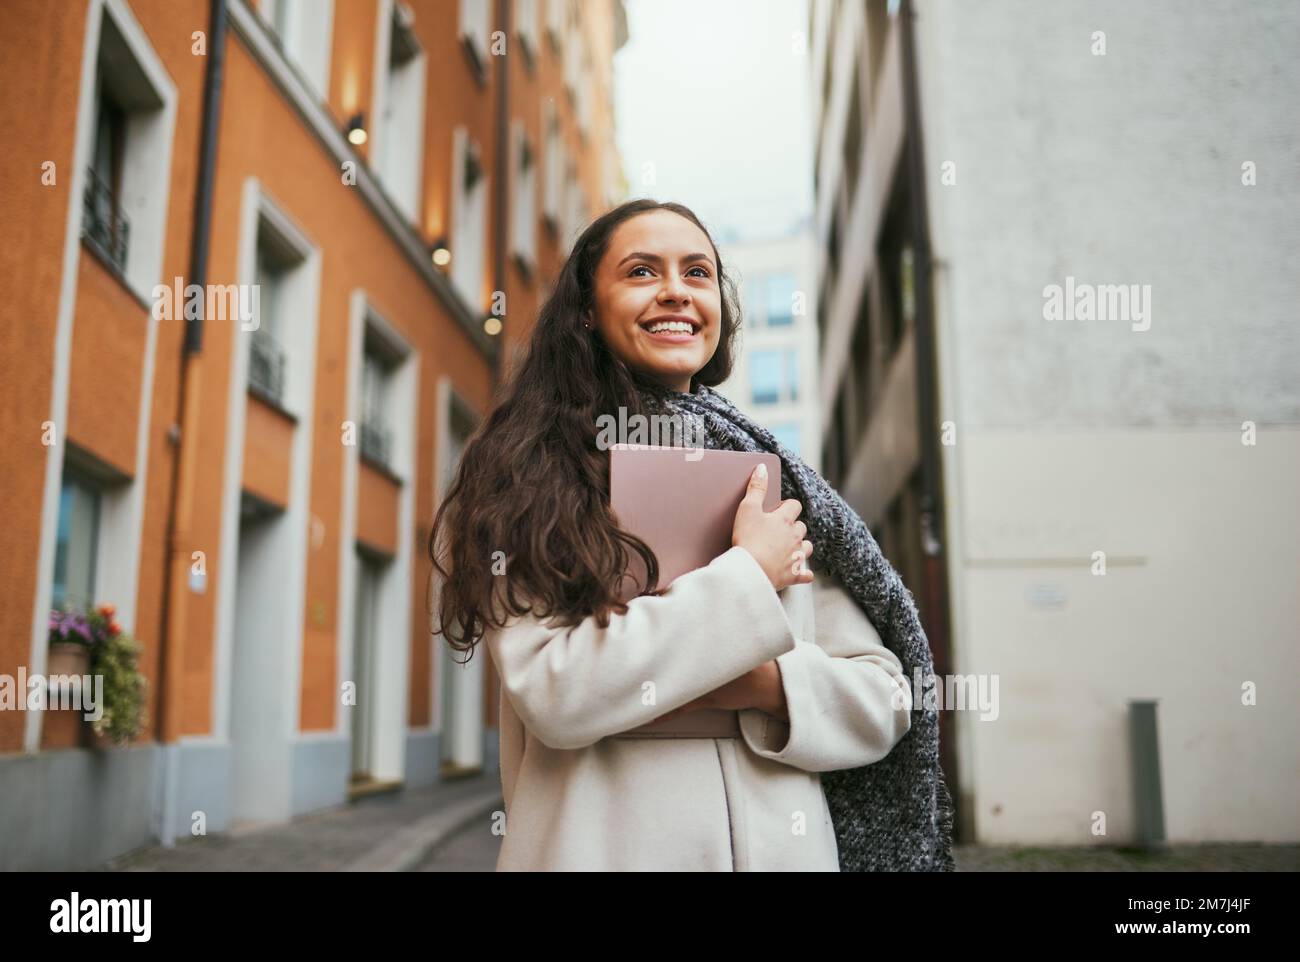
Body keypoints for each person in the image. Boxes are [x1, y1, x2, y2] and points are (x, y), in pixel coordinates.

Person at [429, 199, 917, 871]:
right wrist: (747, 575)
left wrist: (759, 685)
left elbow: (885, 698)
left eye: (697, 272)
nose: (676, 292)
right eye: (640, 271)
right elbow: (556, 692)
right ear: (587, 311)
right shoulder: (528, 473)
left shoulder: (777, 483)